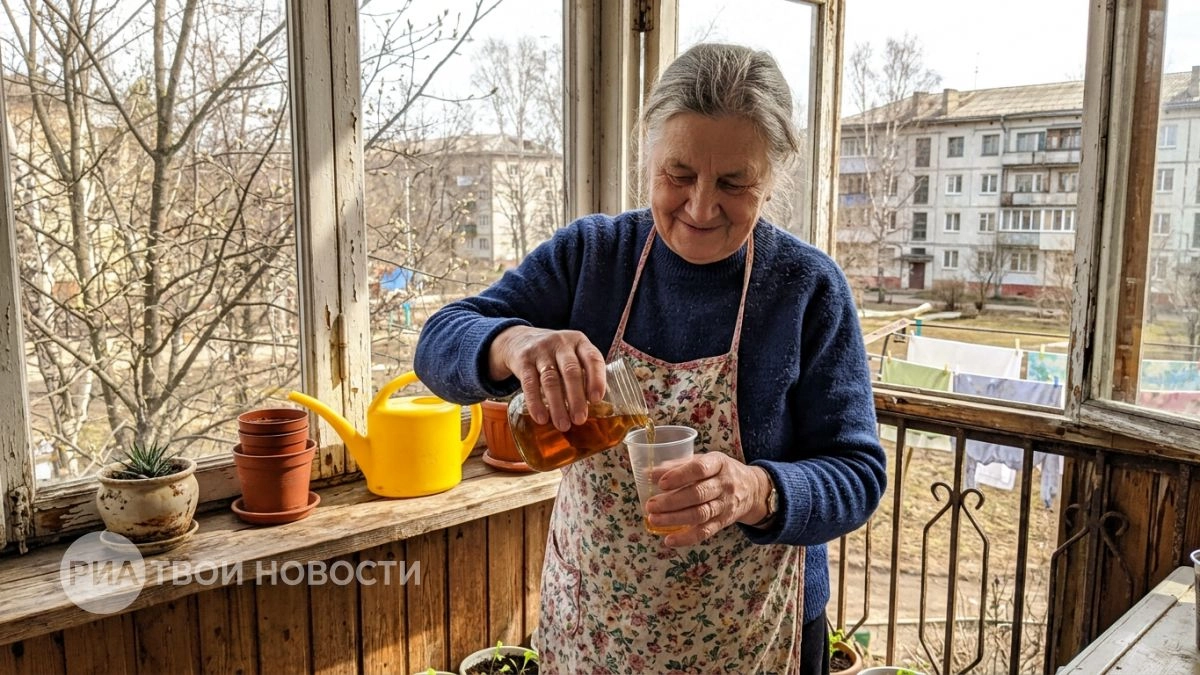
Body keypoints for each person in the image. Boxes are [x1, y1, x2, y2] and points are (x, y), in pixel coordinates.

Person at [415, 42, 886, 675]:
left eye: (733, 183)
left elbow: (857, 474)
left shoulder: (806, 288)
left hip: (753, 633)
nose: (700, 207)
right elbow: (438, 341)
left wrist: (755, 489)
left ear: (772, 180)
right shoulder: (593, 256)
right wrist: (513, 341)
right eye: (679, 175)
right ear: (647, 156)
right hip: (593, 625)